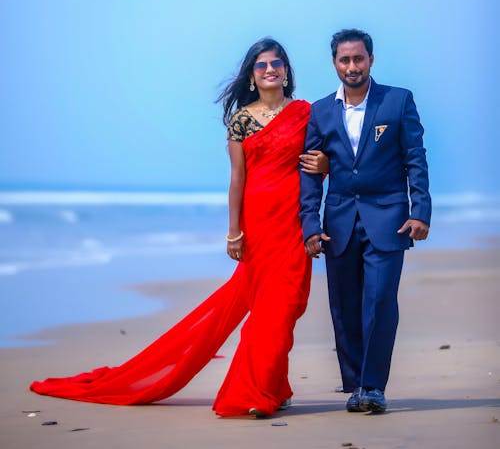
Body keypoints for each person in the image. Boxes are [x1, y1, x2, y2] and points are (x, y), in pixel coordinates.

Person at [30, 37, 327, 418]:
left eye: (277, 63)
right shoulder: (241, 120)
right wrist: (234, 232)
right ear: (252, 76)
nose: (270, 70)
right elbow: (237, 178)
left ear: (287, 71)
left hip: (293, 224)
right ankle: (255, 392)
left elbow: (323, 161)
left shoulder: (308, 113)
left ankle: (273, 385)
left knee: (285, 308)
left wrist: (327, 167)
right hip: (258, 225)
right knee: (268, 312)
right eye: (261, 65)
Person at [299, 28, 431, 414]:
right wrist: (309, 225)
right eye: (345, 59)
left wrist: (419, 210)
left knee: (379, 301)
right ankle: (355, 384)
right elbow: (309, 171)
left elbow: (415, 159)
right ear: (334, 63)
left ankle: (373, 387)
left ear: (371, 59)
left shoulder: (397, 101)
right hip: (338, 220)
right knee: (344, 306)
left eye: (359, 58)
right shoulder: (320, 111)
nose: (352, 66)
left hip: (388, 217)